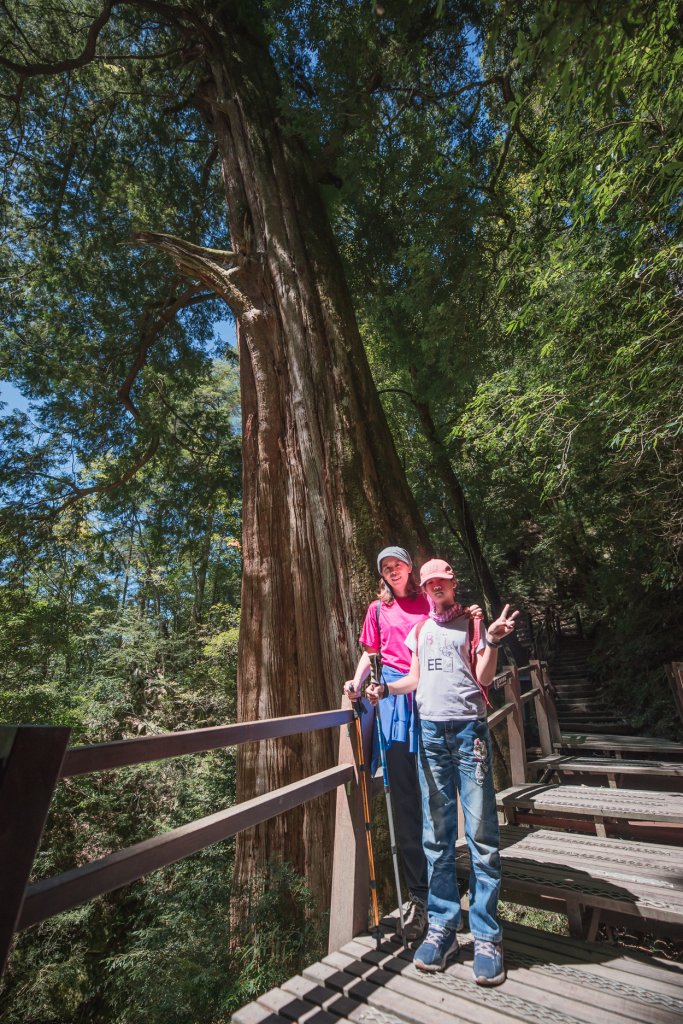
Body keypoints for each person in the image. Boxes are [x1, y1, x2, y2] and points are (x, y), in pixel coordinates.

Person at [367, 557, 518, 986]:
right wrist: (384, 688)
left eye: (442, 583)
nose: (436, 589)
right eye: (430, 583)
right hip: (431, 735)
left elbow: (484, 677)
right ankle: (444, 927)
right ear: (425, 587)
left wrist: (491, 640)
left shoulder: (471, 625)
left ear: (452, 585)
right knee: (435, 835)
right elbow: (413, 678)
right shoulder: (420, 631)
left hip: (468, 733)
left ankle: (488, 935)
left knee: (482, 834)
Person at [344, 546, 430, 941]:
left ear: (409, 567)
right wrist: (357, 682)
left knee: (437, 792)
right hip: (393, 701)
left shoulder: (429, 599)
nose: (393, 573)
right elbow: (370, 652)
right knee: (404, 796)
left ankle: (443, 883)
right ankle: (418, 894)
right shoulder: (378, 610)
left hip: (430, 694)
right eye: (386, 569)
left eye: (398, 566)